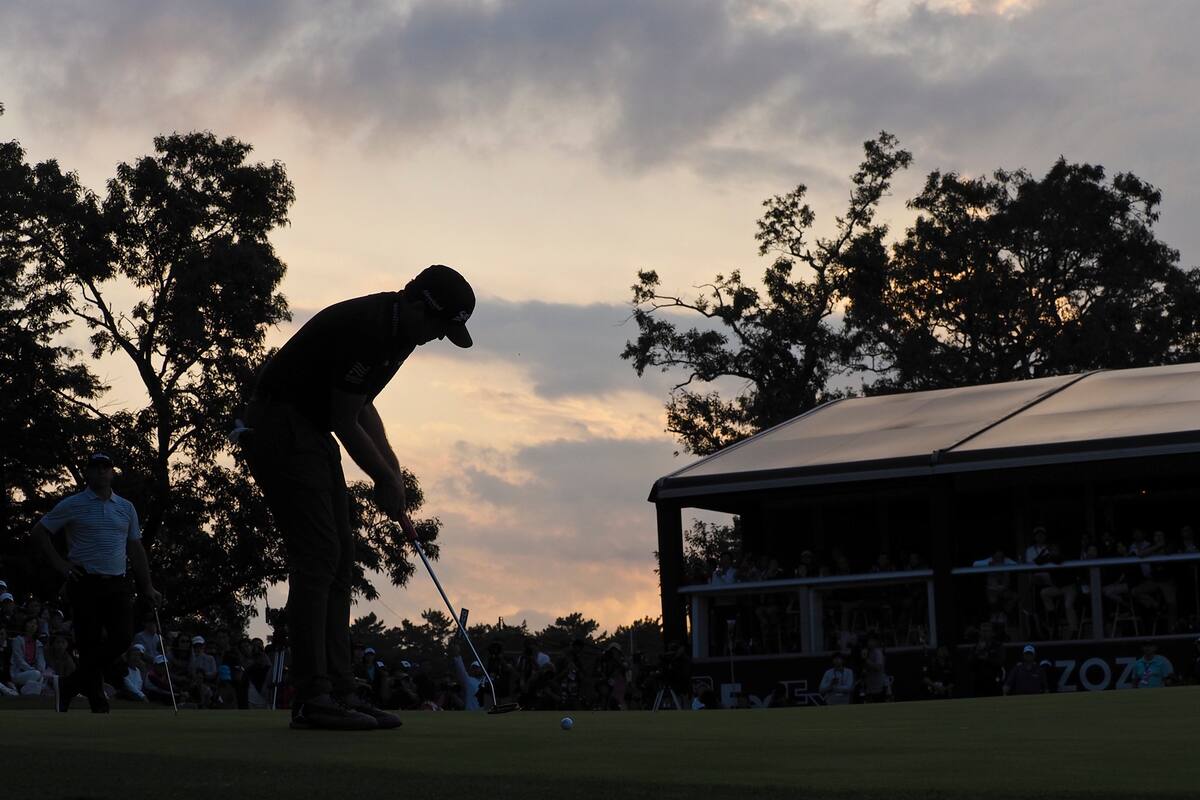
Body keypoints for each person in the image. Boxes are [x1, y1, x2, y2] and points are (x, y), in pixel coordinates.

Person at [238, 265, 474, 730]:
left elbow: (363, 404)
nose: (436, 338)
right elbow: (344, 420)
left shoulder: (403, 334)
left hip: (310, 427)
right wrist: (383, 479)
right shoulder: (371, 326)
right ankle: (313, 697)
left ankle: (341, 689)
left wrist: (394, 471)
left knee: (341, 555)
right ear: (418, 303)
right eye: (438, 326)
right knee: (319, 553)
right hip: (279, 424)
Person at [30, 452, 162, 713]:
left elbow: (135, 548)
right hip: (85, 581)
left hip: (118, 582)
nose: (101, 472)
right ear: (88, 473)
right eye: (96, 468)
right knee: (89, 643)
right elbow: (39, 532)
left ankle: (69, 686)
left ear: (112, 472)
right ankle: (97, 702)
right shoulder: (73, 504)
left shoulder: (126, 507)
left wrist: (147, 586)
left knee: (123, 637)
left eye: (106, 467)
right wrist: (61, 565)